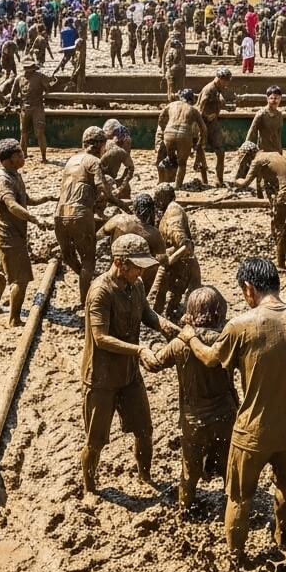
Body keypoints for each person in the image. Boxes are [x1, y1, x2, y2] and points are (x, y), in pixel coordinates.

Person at [180, 257, 286, 563]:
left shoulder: (240, 325)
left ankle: (236, 557)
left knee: (239, 497)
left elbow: (211, 358)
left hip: (252, 431)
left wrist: (190, 337)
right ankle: (283, 536)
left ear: (249, 289)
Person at [79, 233, 179, 494]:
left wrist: (164, 325)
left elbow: (146, 312)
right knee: (96, 440)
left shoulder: (136, 286)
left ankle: (145, 477)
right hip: (101, 378)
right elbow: (100, 338)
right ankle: (90, 488)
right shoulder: (100, 292)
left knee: (144, 430)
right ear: (120, 263)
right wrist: (139, 350)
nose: (140, 272)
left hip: (129, 375)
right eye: (136, 267)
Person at [0, 138, 55, 327]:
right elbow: (12, 205)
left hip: (10, 234)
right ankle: (14, 319)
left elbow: (25, 199)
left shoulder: (14, 175)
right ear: (9, 159)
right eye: (19, 155)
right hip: (9, 235)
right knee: (21, 279)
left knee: (3, 271)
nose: (23, 156)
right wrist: (34, 219)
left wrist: (46, 198)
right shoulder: (3, 180)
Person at [56, 127, 120, 306]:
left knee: (68, 256)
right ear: (100, 145)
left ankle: (87, 280)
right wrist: (109, 202)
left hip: (59, 213)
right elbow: (102, 188)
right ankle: (86, 300)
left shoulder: (71, 161)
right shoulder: (94, 162)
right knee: (88, 261)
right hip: (80, 215)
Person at [232, 144, 286, 272]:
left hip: (285, 192)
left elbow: (245, 183)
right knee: (284, 222)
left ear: (247, 156)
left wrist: (236, 180)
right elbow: (269, 181)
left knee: (280, 229)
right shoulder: (273, 154)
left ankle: (281, 264)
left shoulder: (257, 161)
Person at [150, 183, 201, 321]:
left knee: (159, 293)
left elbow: (185, 245)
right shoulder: (170, 210)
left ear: (164, 198)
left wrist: (169, 262)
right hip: (178, 261)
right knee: (167, 298)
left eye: (158, 199)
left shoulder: (173, 214)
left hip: (181, 263)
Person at [193, 68, 236, 186]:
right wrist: (205, 118)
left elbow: (217, 102)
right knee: (201, 151)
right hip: (204, 124)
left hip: (213, 124)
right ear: (221, 80)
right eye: (226, 81)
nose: (227, 84)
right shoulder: (209, 90)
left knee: (220, 151)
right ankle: (205, 180)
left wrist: (225, 107)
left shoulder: (217, 89)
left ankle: (219, 179)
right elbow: (199, 109)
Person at [156, 88, 205, 188]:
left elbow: (161, 118)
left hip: (169, 133)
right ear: (192, 100)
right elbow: (203, 129)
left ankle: (161, 182)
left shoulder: (171, 105)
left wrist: (163, 128)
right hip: (184, 135)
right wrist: (201, 143)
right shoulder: (193, 110)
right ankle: (177, 187)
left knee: (168, 159)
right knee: (182, 164)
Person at [11, 59, 52, 163]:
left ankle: (43, 157)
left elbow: (49, 88)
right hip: (25, 108)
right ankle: (24, 154)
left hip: (37, 107)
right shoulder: (19, 78)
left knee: (39, 133)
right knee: (24, 133)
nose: (28, 71)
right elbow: (13, 95)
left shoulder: (40, 77)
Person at [244, 86, 285, 155]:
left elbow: (279, 134)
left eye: (277, 98)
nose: (275, 101)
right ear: (267, 98)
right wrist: (246, 146)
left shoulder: (279, 115)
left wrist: (280, 151)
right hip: (263, 151)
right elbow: (252, 131)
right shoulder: (261, 114)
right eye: (272, 98)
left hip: (276, 151)